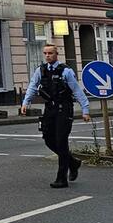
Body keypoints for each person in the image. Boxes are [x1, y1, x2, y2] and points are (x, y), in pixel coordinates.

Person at [21, 44, 91, 188]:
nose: (48, 56)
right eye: (45, 53)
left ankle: (61, 178)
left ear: (56, 54)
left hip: (64, 109)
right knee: (48, 139)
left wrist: (85, 110)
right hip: (49, 109)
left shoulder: (65, 71)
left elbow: (77, 91)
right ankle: (73, 162)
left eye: (50, 53)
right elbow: (33, 86)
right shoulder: (41, 70)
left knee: (61, 141)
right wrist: (25, 102)